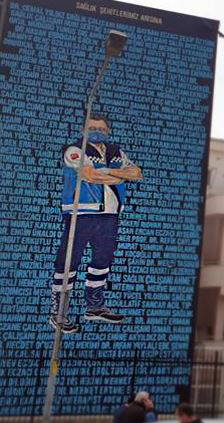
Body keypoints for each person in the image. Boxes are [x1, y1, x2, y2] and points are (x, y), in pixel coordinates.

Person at [48, 114, 143, 333]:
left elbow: (136, 173)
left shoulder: (115, 151)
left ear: (108, 131)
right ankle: (59, 313)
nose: (97, 131)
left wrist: (108, 172)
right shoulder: (75, 150)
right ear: (84, 129)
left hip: (109, 214)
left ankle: (95, 307)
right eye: (92, 127)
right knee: (69, 261)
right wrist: (119, 176)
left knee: (103, 260)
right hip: (81, 213)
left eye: (101, 128)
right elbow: (89, 175)